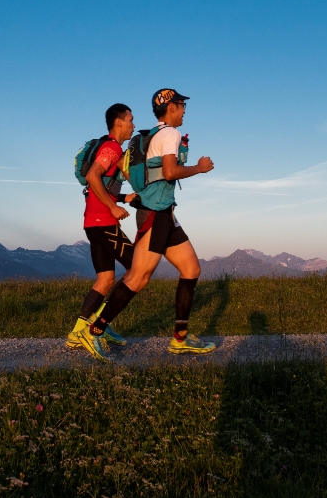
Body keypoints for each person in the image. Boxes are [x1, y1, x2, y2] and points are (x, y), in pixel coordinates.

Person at [76, 88, 216, 357]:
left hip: (164, 213)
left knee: (191, 268)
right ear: (171, 107)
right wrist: (199, 168)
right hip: (156, 215)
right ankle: (94, 329)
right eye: (181, 105)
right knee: (138, 277)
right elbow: (169, 171)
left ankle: (180, 338)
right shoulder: (171, 135)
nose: (184, 110)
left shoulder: (153, 135)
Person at [67, 103, 138, 360]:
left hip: (93, 223)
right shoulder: (111, 147)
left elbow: (104, 183)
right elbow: (93, 177)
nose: (132, 124)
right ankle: (99, 325)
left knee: (106, 279)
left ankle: (77, 331)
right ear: (118, 122)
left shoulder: (113, 150)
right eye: (130, 119)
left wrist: (122, 198)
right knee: (139, 268)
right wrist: (112, 206)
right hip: (103, 222)